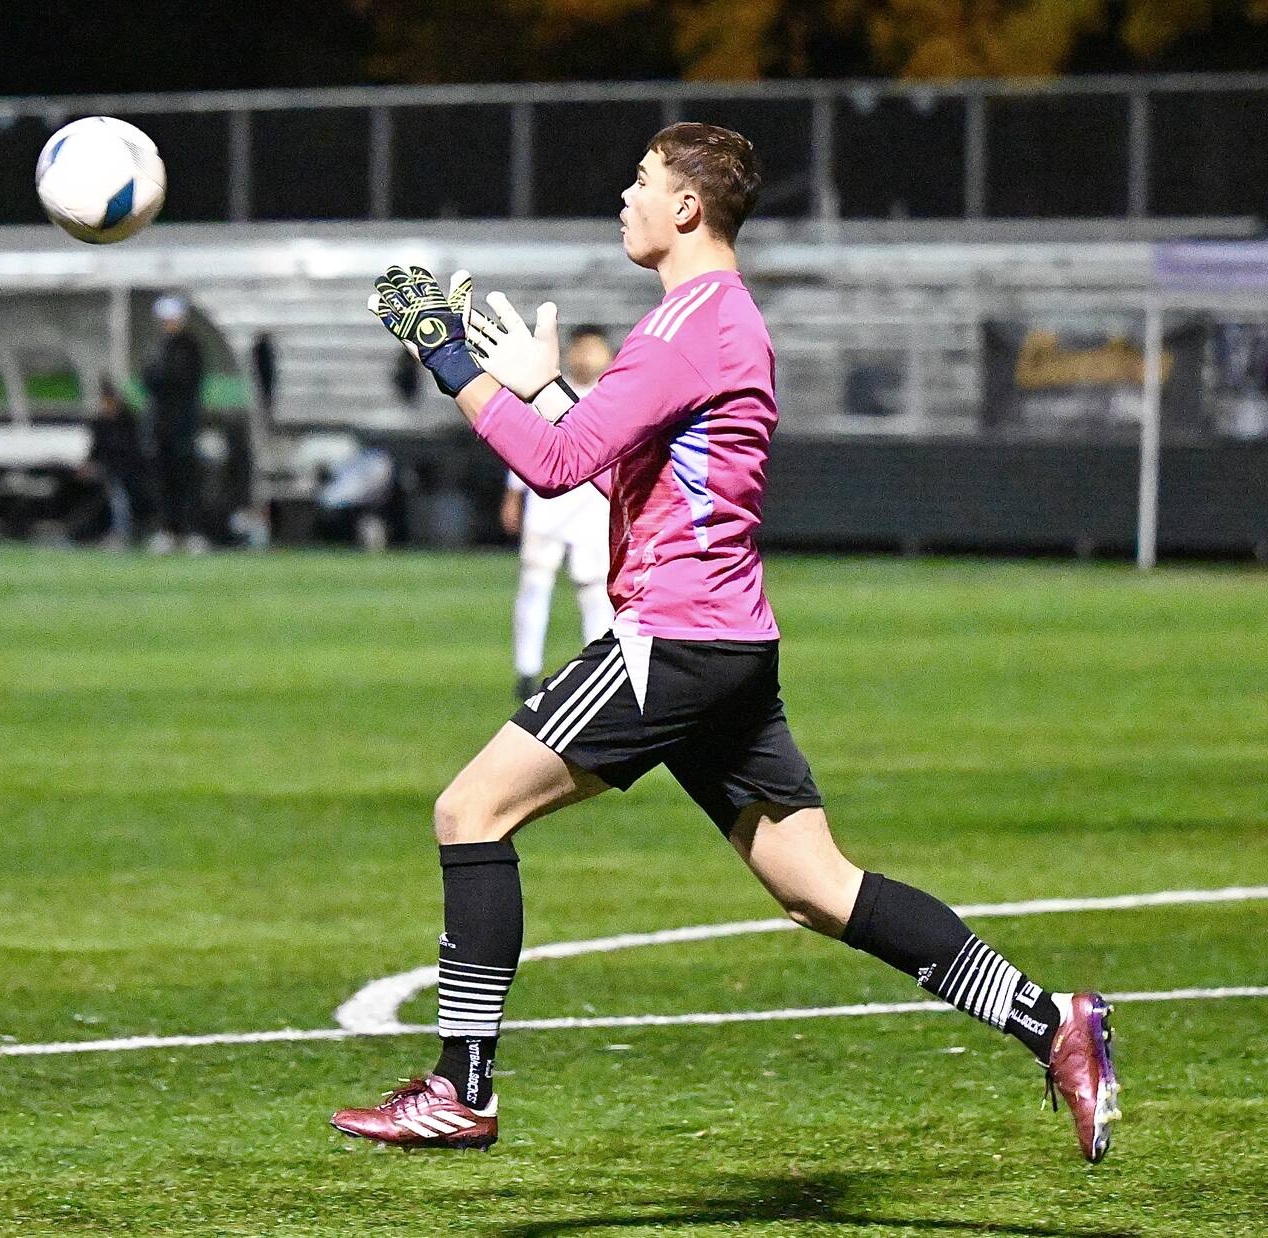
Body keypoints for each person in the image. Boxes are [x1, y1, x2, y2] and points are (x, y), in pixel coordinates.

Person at [332, 124, 1118, 1164]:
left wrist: (445, 357)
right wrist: (536, 382)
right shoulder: (713, 321)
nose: (624, 196)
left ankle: (458, 1088)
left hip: (672, 639)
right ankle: (1051, 1020)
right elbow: (625, 465)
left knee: (469, 810)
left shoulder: (682, 330)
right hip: (730, 645)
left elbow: (558, 466)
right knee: (816, 885)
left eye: (641, 181)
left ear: (686, 209)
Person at [500, 326, 615, 700]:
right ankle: (526, 670)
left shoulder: (615, 398)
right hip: (548, 502)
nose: (586, 357)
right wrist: (514, 494)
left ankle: (599, 672)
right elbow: (525, 444)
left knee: (596, 590)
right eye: (580, 349)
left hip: (594, 507)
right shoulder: (549, 394)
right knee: (535, 584)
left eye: (594, 350)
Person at [143, 296, 206, 553]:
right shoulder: (161, 348)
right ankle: (168, 530)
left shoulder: (188, 349)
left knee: (185, 479)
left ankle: (189, 530)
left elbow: (173, 382)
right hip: (162, 426)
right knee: (164, 480)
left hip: (182, 426)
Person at [78, 381, 149, 547]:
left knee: (119, 497)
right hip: (110, 469)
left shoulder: (129, 421)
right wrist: (89, 464)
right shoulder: (101, 423)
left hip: (128, 470)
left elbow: (132, 450)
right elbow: (97, 448)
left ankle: (122, 533)